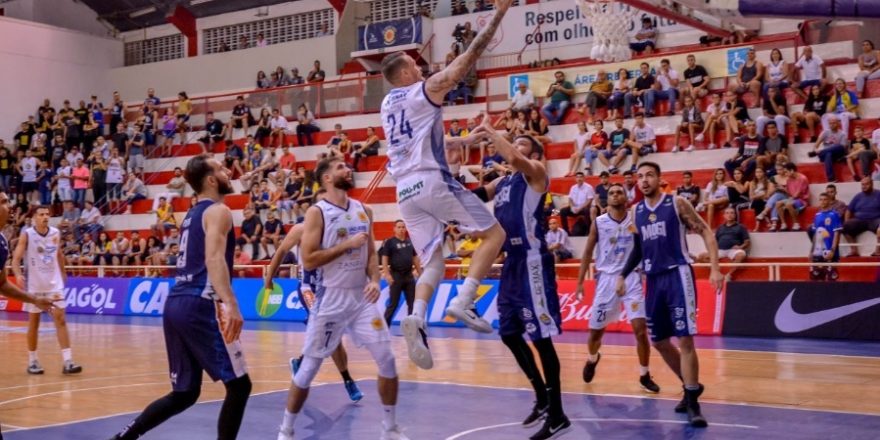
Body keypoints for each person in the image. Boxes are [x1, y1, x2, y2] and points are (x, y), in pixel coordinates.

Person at [378, 0, 513, 370]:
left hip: (405, 193)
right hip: (431, 181)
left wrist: (462, 141)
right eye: (414, 65)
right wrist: (499, 14)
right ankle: (464, 299)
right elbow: (462, 66)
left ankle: (417, 316)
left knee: (433, 262)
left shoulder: (387, 105)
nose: (420, 68)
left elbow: (417, 140)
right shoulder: (421, 90)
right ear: (404, 74)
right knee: (495, 235)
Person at [109, 155, 251, 440]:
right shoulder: (219, 211)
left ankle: (122, 438)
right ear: (211, 180)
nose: (227, 171)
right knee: (239, 385)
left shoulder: (192, 214)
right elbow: (214, 258)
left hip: (176, 302)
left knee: (185, 392)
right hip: (200, 302)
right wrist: (232, 304)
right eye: (221, 169)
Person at [277, 156, 404, 440]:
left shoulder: (364, 210)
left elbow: (370, 252)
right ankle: (285, 430)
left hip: (361, 298)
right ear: (326, 178)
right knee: (308, 369)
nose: (348, 169)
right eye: (340, 167)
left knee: (387, 359)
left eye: (347, 166)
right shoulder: (317, 213)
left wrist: (375, 280)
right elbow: (309, 259)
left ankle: (390, 428)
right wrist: (346, 245)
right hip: (330, 298)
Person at [468, 121, 571, 439]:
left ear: (535, 154)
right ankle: (541, 395)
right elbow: (475, 196)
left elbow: (513, 157)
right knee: (510, 334)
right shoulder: (502, 181)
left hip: (533, 262)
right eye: (516, 141)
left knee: (541, 339)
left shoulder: (535, 172)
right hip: (511, 263)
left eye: (523, 142)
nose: (516, 144)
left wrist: (492, 133)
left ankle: (557, 414)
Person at [618, 161, 723, 428]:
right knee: (659, 341)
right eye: (640, 176)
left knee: (685, 339)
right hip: (652, 279)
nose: (644, 180)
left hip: (678, 274)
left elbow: (706, 231)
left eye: (649, 175)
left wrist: (714, 268)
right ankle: (690, 386)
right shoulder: (635, 212)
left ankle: (693, 402)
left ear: (659, 179)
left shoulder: (676, 203)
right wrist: (622, 274)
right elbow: (638, 249)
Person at [263, 213, 364, 405]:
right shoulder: (301, 229)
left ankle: (301, 361)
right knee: (328, 330)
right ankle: (348, 380)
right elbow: (281, 251)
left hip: (330, 288)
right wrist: (269, 277)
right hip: (308, 288)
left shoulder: (337, 229)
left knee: (333, 335)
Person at [575, 183, 660, 393]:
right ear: (607, 198)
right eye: (611, 193)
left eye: (619, 192)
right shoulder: (599, 222)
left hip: (631, 278)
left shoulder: (635, 219)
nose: (615, 195)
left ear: (626, 197)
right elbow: (587, 253)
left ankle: (644, 375)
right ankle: (592, 358)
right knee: (595, 333)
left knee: (640, 331)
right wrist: (579, 282)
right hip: (606, 279)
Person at [12, 205, 83, 375]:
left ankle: (68, 361)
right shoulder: (27, 234)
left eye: (47, 214)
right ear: (34, 218)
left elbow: (58, 254)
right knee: (34, 323)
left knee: (61, 319)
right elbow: (16, 258)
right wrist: (18, 274)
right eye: (41, 214)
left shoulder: (55, 233)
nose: (45, 217)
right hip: (34, 285)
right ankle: (32, 361)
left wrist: (63, 272)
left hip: (53, 284)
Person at [380, 220, 421, 327]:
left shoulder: (410, 242)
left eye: (403, 227)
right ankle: (384, 328)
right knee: (393, 304)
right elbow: (384, 259)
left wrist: (421, 273)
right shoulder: (390, 242)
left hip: (409, 277)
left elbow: (415, 258)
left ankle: (412, 327)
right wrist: (387, 275)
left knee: (412, 303)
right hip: (396, 276)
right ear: (394, 229)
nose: (401, 229)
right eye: (399, 227)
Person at [699, 207, 750, 281]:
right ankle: (718, 272)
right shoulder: (720, 228)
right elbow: (714, 241)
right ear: (724, 215)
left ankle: (729, 275)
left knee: (741, 255)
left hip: (733, 250)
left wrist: (740, 247)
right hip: (720, 250)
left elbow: (747, 242)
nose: (729, 215)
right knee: (701, 256)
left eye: (732, 213)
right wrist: (713, 250)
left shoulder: (741, 227)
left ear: (735, 215)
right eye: (727, 213)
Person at [809, 192, 843, 281]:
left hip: (829, 250)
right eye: (821, 200)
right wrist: (811, 251)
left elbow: (836, 233)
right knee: (817, 278)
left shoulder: (834, 215)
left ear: (829, 201)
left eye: (825, 200)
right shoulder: (817, 215)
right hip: (818, 251)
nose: (823, 202)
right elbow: (815, 235)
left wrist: (833, 250)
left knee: (831, 277)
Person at [842, 177, 880, 256]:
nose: (864, 186)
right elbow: (849, 210)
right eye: (862, 185)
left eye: (866, 184)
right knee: (845, 227)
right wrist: (847, 221)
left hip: (875, 219)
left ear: (872, 184)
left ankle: (878, 251)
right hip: (860, 220)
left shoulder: (878, 194)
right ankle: (854, 250)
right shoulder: (858, 196)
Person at [810, 115, 849, 183]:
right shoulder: (825, 132)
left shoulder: (842, 134)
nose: (832, 125)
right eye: (830, 123)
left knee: (839, 147)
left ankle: (823, 151)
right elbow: (816, 145)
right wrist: (815, 150)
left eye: (834, 123)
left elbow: (843, 148)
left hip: (837, 155)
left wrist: (820, 151)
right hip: (825, 155)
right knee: (828, 154)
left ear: (838, 123)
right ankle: (831, 178)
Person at [559, 172, 594, 236]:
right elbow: (570, 199)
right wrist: (572, 207)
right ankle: (566, 231)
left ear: (584, 178)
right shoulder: (573, 187)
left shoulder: (588, 187)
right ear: (575, 179)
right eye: (577, 177)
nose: (579, 179)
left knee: (587, 211)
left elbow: (589, 200)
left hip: (583, 207)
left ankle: (588, 231)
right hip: (575, 208)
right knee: (563, 211)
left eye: (581, 177)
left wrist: (580, 208)